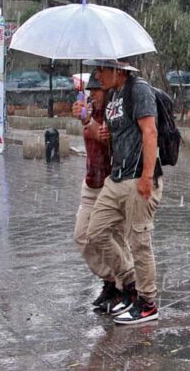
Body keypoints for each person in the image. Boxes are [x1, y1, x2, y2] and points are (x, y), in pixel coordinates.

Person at [85, 59, 164, 324]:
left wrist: (147, 176)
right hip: (116, 177)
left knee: (139, 242)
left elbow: (149, 131)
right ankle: (129, 283)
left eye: (100, 69)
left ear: (117, 69)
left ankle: (147, 303)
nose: (97, 75)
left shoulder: (138, 89)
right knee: (94, 232)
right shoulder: (113, 95)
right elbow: (115, 134)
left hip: (137, 178)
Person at [71, 71, 129, 313]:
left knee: (113, 237)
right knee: (82, 236)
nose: (93, 94)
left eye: (97, 90)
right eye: (91, 90)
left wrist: (88, 122)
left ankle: (125, 287)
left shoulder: (114, 115)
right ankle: (111, 279)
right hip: (91, 182)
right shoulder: (90, 110)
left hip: (111, 182)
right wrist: (84, 116)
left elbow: (109, 140)